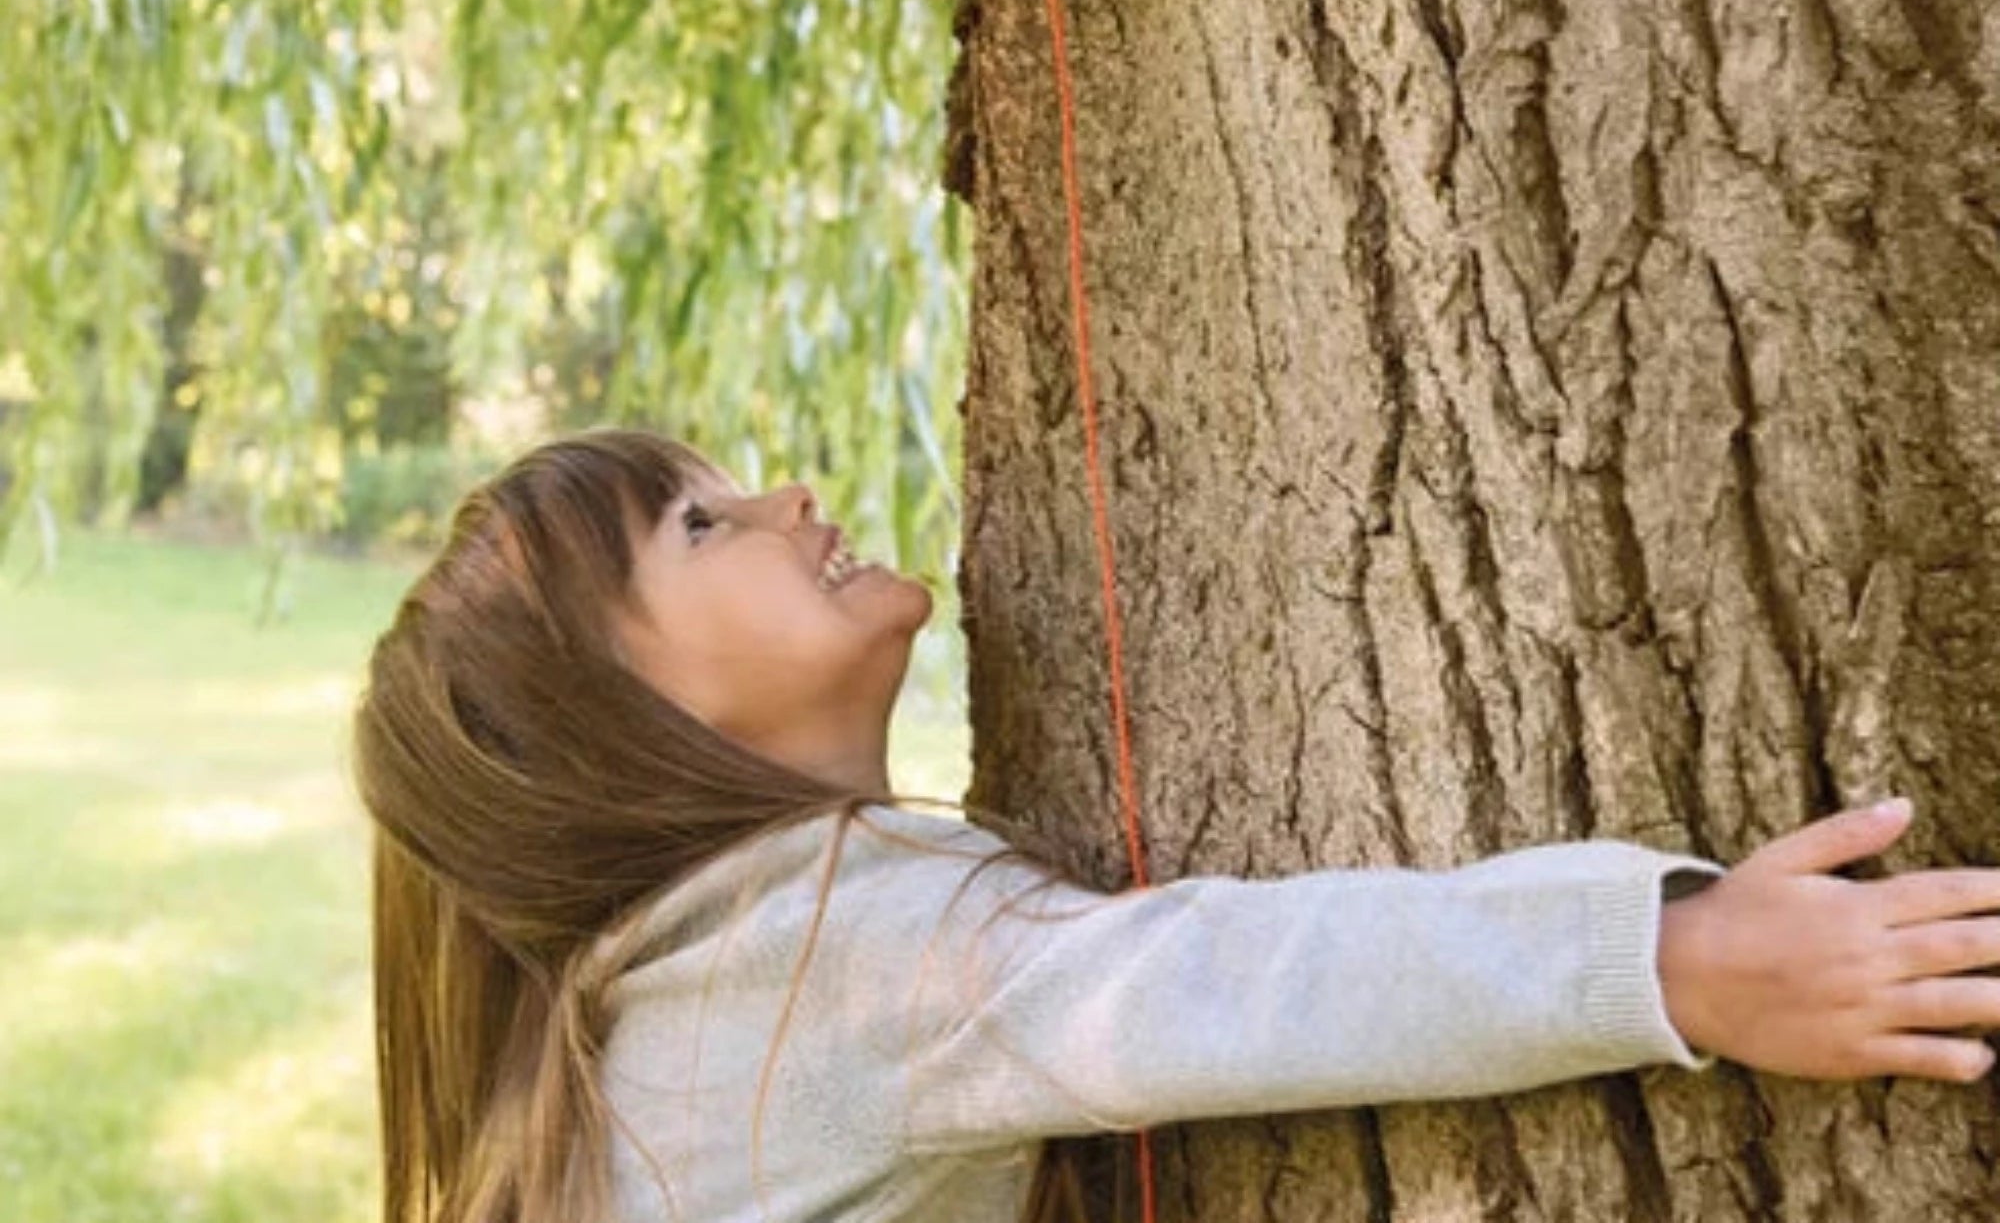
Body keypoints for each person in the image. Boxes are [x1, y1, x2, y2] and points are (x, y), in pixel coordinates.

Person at [351, 428, 2000, 1223]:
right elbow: (1231, 979)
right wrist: (1670, 960)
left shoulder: (680, 997)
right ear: (629, 727)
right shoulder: (832, 952)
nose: (791, 498)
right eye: (704, 523)